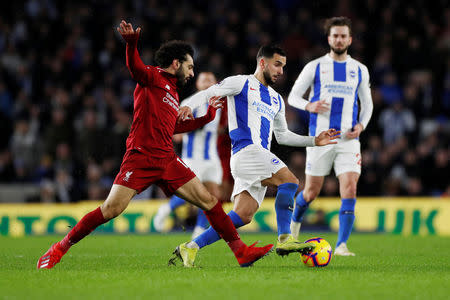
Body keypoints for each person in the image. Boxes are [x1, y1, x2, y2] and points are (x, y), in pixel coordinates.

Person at [37, 21, 273, 269]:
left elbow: (173, 128)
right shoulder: (152, 77)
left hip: (167, 159)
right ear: (175, 63)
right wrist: (131, 45)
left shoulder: (172, 93)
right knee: (111, 209)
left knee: (210, 201)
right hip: (140, 158)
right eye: (190, 67)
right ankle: (58, 248)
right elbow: (134, 67)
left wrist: (207, 118)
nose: (192, 73)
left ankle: (241, 253)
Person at [171, 45, 339, 267]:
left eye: (283, 66)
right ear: (262, 63)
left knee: (243, 215)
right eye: (277, 64)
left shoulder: (277, 99)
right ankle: (285, 238)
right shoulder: (241, 82)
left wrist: (314, 140)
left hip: (257, 157)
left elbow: (283, 136)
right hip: (246, 151)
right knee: (290, 181)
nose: (281, 71)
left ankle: (190, 247)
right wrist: (188, 107)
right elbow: (209, 92)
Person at [287, 17, 373, 256]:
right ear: (329, 39)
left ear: (350, 39)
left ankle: (342, 245)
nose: (339, 39)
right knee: (311, 192)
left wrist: (362, 125)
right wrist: (309, 106)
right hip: (320, 138)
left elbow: (367, 104)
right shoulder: (314, 66)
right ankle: (293, 229)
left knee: (349, 187)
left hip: (348, 140)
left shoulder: (359, 69)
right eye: (335, 35)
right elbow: (293, 96)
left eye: (343, 35)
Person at [153, 72, 224, 238]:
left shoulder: (218, 104)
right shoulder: (189, 103)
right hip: (193, 157)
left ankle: (199, 231)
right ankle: (167, 208)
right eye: (203, 80)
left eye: (211, 80)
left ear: (216, 84)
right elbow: (176, 133)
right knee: (193, 194)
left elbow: (216, 129)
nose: (207, 83)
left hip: (211, 157)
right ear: (197, 84)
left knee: (212, 196)